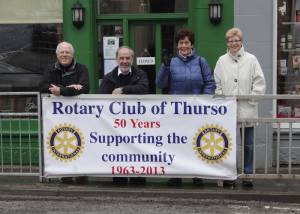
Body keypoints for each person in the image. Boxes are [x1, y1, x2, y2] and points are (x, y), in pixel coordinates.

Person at [156, 28, 216, 186]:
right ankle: (176, 174)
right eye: (181, 42)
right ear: (177, 45)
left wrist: (203, 101)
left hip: (196, 111)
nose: (184, 45)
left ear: (191, 44)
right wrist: (164, 66)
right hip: (175, 112)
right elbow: (160, 84)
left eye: (186, 42)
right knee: (176, 144)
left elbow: (210, 83)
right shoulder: (171, 62)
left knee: (195, 142)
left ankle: (196, 174)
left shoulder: (201, 61)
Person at [213, 28, 266, 188]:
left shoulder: (251, 59)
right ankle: (230, 174)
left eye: (236, 40)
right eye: (230, 40)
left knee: (248, 144)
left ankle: (247, 174)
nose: (233, 43)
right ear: (227, 43)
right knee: (229, 144)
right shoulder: (221, 61)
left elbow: (259, 82)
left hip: (247, 108)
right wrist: (222, 99)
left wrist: (251, 98)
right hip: (228, 110)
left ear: (241, 41)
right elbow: (217, 83)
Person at [40, 41, 90, 183]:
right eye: (61, 52)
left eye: (67, 52)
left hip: (79, 116)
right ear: (57, 54)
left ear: (72, 54)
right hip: (57, 118)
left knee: (80, 144)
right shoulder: (50, 69)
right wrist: (71, 88)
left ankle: (81, 174)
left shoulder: (82, 69)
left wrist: (61, 90)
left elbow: (85, 87)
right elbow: (43, 86)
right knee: (61, 145)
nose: (64, 55)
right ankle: (65, 174)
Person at [99, 46, 149, 185]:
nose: (124, 61)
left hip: (137, 123)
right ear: (116, 60)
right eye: (121, 58)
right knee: (118, 150)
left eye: (127, 58)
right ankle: (119, 178)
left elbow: (144, 89)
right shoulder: (109, 77)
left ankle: (138, 178)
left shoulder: (140, 74)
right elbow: (101, 98)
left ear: (132, 59)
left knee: (137, 150)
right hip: (116, 125)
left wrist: (123, 90)